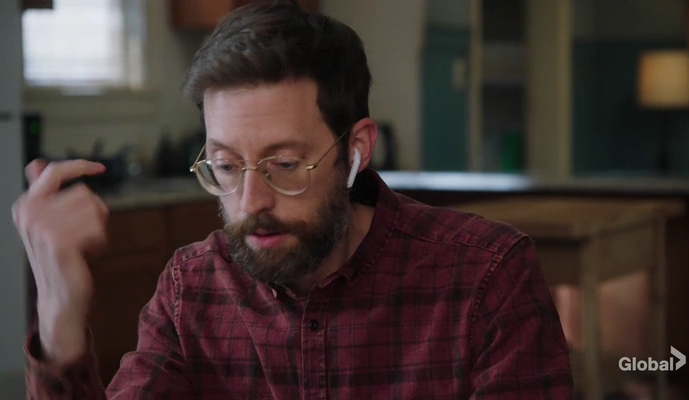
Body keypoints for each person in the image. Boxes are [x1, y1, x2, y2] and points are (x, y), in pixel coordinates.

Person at [13, 1, 573, 398]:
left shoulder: (486, 280)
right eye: (226, 166)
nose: (250, 201)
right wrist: (60, 317)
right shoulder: (192, 289)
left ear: (355, 150)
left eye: (284, 165)